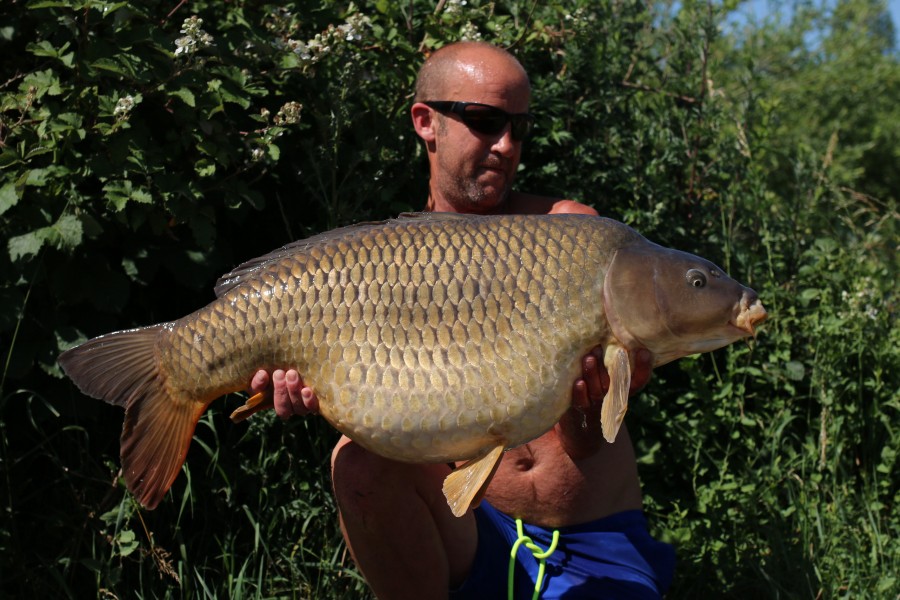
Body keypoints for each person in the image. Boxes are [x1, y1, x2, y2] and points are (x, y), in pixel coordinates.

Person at [250, 41, 675, 599]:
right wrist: (301, 390)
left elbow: (587, 445)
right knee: (355, 464)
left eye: (518, 128)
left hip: (594, 545)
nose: (505, 145)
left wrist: (591, 398)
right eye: (483, 121)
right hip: (474, 533)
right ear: (426, 123)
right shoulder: (378, 268)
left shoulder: (572, 237)